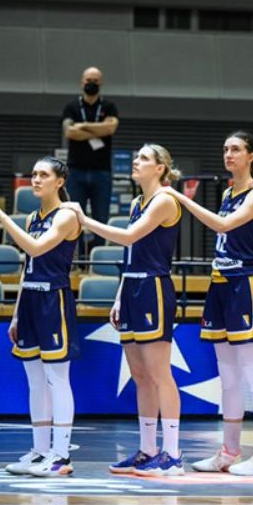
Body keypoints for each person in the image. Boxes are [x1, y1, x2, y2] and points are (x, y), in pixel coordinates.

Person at [72, 144, 185, 477]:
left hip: (153, 287)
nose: (136, 162)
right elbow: (131, 253)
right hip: (133, 287)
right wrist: (120, 296)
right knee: (140, 376)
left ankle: (173, 454)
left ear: (160, 168)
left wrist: (85, 220)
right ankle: (148, 449)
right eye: (136, 157)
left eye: (144, 158)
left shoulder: (165, 200)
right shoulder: (138, 202)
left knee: (159, 373)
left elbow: (129, 236)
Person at [171, 132, 253, 477]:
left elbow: (223, 224)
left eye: (236, 149)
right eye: (225, 149)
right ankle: (229, 451)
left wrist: (178, 196)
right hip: (220, 283)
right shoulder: (229, 193)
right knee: (228, 374)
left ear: (251, 156)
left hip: (245, 284)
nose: (228, 154)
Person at [0, 157, 81, 478]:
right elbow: (28, 265)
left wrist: (2, 217)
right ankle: (40, 451)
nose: (36, 179)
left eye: (43, 175)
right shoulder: (31, 218)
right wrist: (16, 313)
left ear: (60, 181)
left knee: (57, 378)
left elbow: (37, 249)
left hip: (54, 299)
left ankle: (61, 455)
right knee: (35, 381)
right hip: (30, 299)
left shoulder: (67, 215)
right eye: (34, 174)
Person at [62, 67, 119, 248]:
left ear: (100, 83)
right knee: (73, 217)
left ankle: (97, 258)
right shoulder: (71, 107)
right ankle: (75, 258)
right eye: (88, 80)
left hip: (101, 172)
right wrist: (99, 130)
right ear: (82, 82)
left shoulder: (109, 106)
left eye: (95, 81)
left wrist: (82, 126)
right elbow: (69, 132)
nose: (91, 84)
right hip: (76, 171)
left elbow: (110, 128)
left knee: (101, 218)